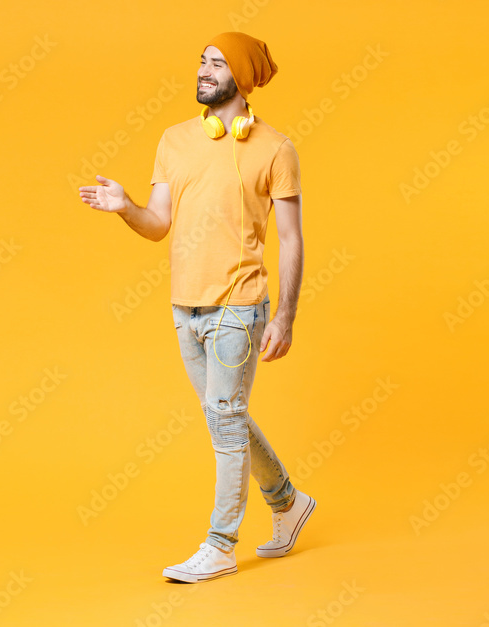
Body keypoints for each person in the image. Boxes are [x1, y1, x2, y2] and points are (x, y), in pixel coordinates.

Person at [78, 31, 315, 583]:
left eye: (216, 63)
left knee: (225, 422)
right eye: (202, 61)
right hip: (185, 306)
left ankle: (221, 544)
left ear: (243, 76)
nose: (204, 70)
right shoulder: (174, 140)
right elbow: (157, 225)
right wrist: (124, 207)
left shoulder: (276, 150)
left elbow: (292, 238)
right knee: (224, 415)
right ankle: (288, 503)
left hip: (240, 304)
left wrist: (285, 316)